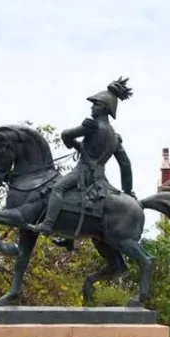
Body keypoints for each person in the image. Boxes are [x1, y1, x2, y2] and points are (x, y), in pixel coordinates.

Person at [28, 77, 135, 235]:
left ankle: (47, 225)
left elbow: (65, 135)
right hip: (99, 179)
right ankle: (69, 237)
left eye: (96, 104)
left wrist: (77, 140)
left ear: (105, 108)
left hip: (83, 173)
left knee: (58, 188)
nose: (92, 107)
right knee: (74, 198)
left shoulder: (92, 126)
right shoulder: (114, 136)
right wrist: (128, 190)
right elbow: (125, 165)